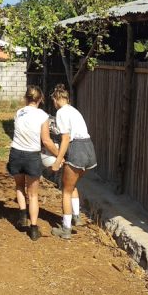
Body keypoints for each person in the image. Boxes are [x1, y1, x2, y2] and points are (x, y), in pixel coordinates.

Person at [7, 85, 60, 241]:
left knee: (19, 186)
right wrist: (59, 155)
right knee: (33, 194)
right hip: (32, 157)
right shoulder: (43, 116)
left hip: (15, 153)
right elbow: (46, 141)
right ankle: (34, 228)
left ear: (26, 98)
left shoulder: (19, 112)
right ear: (40, 99)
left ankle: (22, 215)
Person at [50, 84, 97, 240]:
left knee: (65, 190)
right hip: (89, 150)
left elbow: (65, 138)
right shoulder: (74, 110)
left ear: (56, 99)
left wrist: (57, 160)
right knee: (73, 185)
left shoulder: (61, 113)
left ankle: (66, 229)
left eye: (53, 101)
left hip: (77, 149)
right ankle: (76, 216)